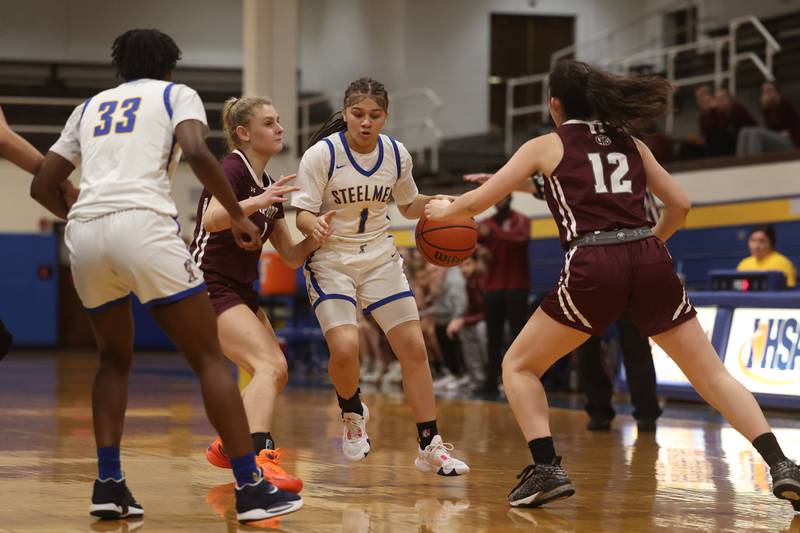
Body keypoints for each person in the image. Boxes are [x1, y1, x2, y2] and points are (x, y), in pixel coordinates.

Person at [427, 60, 799, 511]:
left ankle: (546, 468)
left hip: (593, 261)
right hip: (648, 255)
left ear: (554, 105)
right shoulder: (632, 142)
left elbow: (478, 202)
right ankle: (781, 464)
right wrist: (647, 246)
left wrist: (442, 211)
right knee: (713, 376)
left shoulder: (545, 144)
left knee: (519, 366)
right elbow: (680, 204)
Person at [29, 29, 301, 523]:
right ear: (170, 67)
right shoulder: (177, 95)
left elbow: (43, 184)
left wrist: (84, 220)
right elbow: (197, 152)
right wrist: (241, 217)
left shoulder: (88, 107)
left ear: (119, 67)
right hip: (144, 225)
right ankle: (250, 488)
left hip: (86, 231)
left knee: (113, 360)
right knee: (209, 361)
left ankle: (109, 483)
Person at [291, 77, 469, 475]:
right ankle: (353, 414)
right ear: (345, 113)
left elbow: (408, 206)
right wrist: (312, 225)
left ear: (386, 117)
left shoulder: (396, 154)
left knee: (414, 348)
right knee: (345, 349)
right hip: (331, 258)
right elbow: (300, 212)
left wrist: (445, 204)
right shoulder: (322, 155)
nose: (365, 122)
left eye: (374, 116)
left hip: (379, 257)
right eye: (357, 114)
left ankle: (430, 445)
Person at [191, 96, 334, 493]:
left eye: (278, 121)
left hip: (240, 290)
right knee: (269, 365)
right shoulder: (231, 169)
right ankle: (258, 459)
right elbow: (212, 219)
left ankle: (227, 445)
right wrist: (254, 202)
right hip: (207, 284)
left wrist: (315, 236)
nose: (279, 129)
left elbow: (289, 256)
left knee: (277, 370)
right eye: (269, 123)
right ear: (244, 132)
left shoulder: (271, 185)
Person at [478, 196, 531, 393]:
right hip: (493, 288)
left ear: (510, 197)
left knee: (519, 337)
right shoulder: (485, 224)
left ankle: (522, 380)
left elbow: (521, 238)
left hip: (517, 287)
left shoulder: (522, 220)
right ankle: (491, 381)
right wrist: (481, 250)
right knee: (494, 339)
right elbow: (473, 244)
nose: (498, 201)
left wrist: (494, 233)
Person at [737, 81, 800, 157]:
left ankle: (753, 161)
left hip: (790, 142)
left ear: (776, 92)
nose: (766, 94)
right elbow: (770, 129)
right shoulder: (768, 108)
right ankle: (740, 161)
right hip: (778, 137)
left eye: (769, 91)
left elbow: (784, 125)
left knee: (756, 133)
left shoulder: (784, 103)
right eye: (764, 92)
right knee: (744, 131)